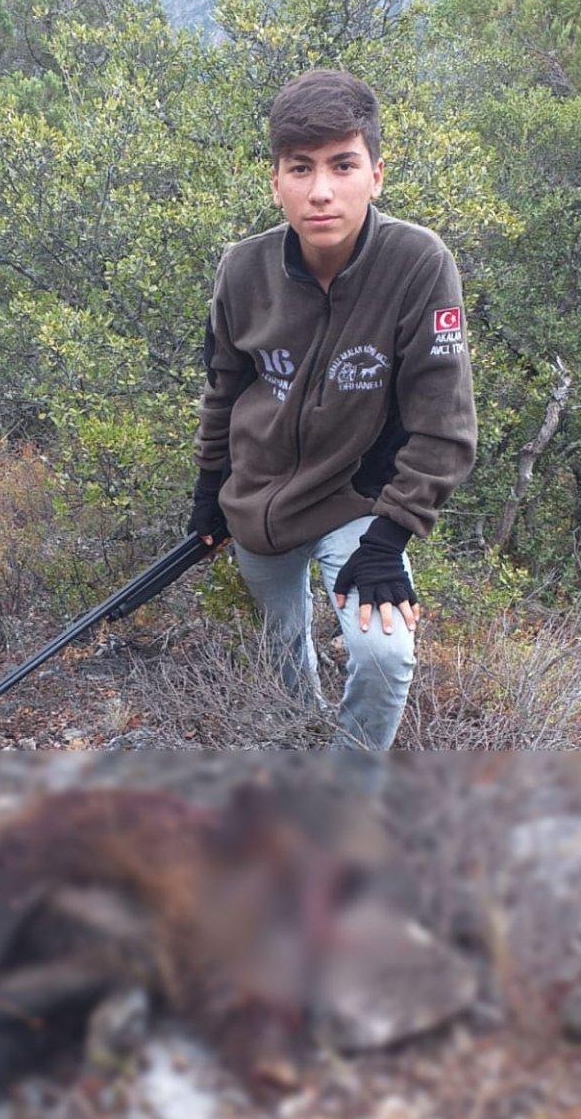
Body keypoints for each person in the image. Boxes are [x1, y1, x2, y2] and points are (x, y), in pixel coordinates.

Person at [188, 69, 477, 750]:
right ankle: (297, 750)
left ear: (374, 174)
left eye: (342, 165)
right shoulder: (242, 268)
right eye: (300, 168)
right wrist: (209, 490)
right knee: (281, 655)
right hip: (255, 506)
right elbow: (224, 387)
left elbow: (445, 422)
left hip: (356, 505)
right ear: (276, 181)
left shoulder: (418, 263)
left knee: (384, 657)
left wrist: (391, 537)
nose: (320, 190)